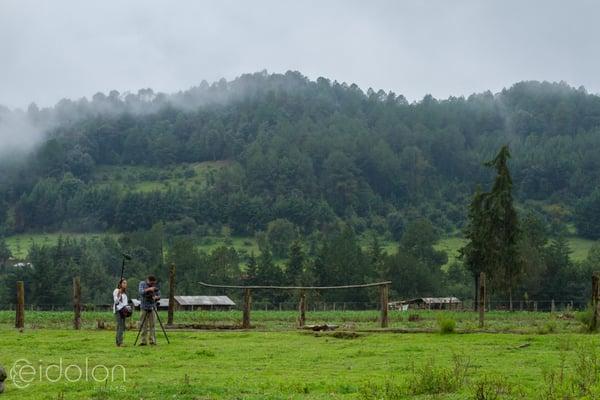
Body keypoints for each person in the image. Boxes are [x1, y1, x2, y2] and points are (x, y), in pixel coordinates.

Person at [138, 275, 161, 346]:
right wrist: (149, 289)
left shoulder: (154, 286)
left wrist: (156, 297)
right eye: (151, 283)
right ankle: (143, 341)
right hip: (144, 307)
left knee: (152, 325)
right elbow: (141, 292)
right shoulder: (142, 283)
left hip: (152, 307)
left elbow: (159, 295)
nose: (152, 284)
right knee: (143, 325)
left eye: (153, 283)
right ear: (148, 280)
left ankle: (152, 341)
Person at [113, 279, 129, 347]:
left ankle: (118, 341)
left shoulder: (125, 294)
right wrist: (119, 294)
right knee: (120, 326)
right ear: (120, 284)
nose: (125, 284)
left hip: (123, 311)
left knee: (121, 326)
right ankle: (120, 342)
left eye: (126, 283)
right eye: (124, 283)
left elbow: (125, 304)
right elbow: (116, 302)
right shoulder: (116, 291)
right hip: (118, 310)